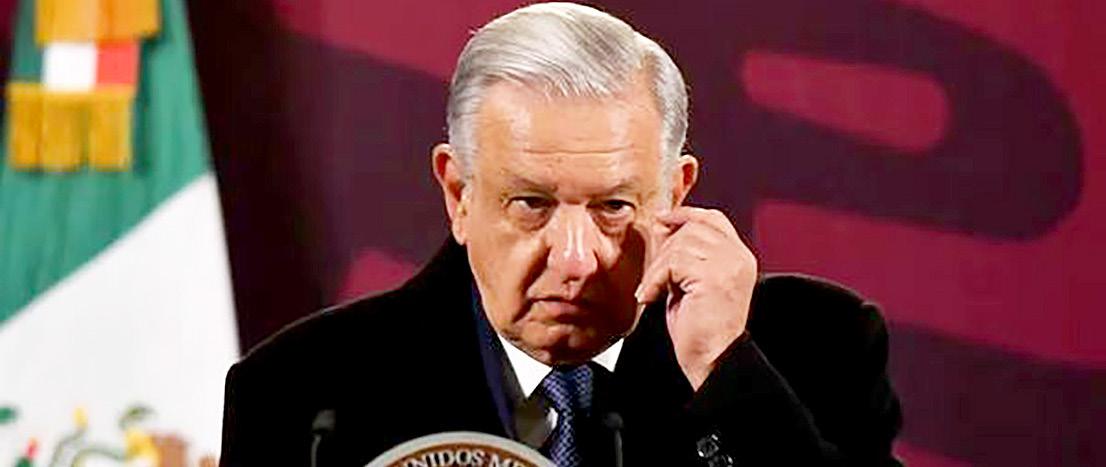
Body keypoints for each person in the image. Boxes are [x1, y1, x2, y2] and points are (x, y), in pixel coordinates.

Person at [218, 3, 902, 466]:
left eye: (613, 207)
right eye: (531, 204)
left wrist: (723, 374)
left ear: (675, 194)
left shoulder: (816, 349)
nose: (576, 260)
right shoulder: (303, 394)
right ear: (458, 194)